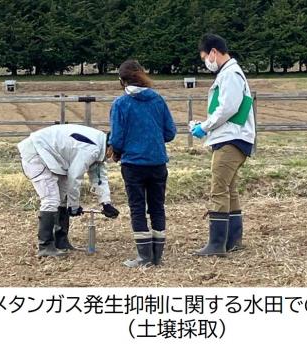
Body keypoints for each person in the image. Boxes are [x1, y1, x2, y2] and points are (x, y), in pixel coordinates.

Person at [191, 33, 256, 256]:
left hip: (231, 139)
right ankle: (233, 240)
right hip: (235, 137)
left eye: (204, 58)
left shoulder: (230, 75)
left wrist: (205, 126)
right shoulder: (232, 73)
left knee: (218, 188)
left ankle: (216, 244)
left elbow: (227, 108)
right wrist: (206, 125)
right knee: (229, 189)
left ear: (213, 52)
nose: (205, 63)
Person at [109, 59, 176, 268]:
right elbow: (170, 132)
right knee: (157, 207)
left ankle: (144, 256)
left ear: (122, 80)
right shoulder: (157, 100)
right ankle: (157, 255)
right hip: (157, 162)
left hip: (133, 164)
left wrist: (117, 152)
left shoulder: (121, 104)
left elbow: (117, 139)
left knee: (137, 208)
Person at [18, 124, 120, 257]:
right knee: (51, 199)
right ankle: (45, 246)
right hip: (37, 153)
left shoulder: (100, 146)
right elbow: (75, 176)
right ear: (111, 147)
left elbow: (99, 176)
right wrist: (74, 206)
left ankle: (61, 241)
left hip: (54, 157)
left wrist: (106, 203)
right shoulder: (92, 149)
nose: (116, 161)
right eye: (117, 157)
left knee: (62, 197)